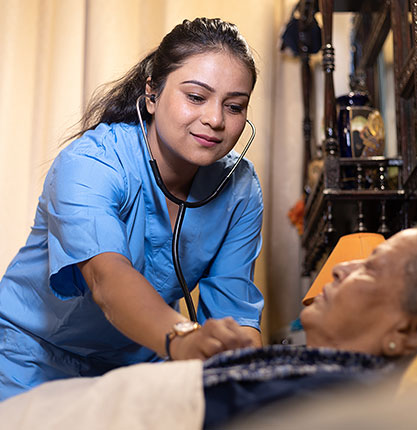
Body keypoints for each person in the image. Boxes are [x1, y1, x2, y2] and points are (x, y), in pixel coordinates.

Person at [0, 17, 264, 401]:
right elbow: (108, 279)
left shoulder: (240, 189)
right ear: (152, 95)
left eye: (235, 106)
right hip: (32, 358)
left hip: (143, 363)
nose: (215, 119)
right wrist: (182, 338)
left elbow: (234, 316)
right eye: (195, 97)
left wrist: (256, 383)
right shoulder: (91, 162)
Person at [202, 215, 417, 427]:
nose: (340, 268)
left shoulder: (337, 401)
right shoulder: (308, 375)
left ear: (410, 330)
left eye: (371, 268)